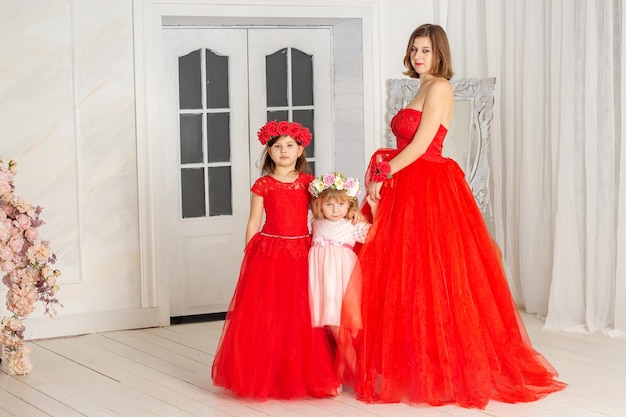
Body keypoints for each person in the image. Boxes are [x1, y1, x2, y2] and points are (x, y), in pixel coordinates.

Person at [339, 23, 567, 409]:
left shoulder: (440, 87)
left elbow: (425, 143)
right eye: (414, 49)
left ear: (439, 53)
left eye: (425, 50)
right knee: (402, 275)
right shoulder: (421, 85)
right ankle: (411, 361)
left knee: (433, 275)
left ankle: (441, 365)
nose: (418, 56)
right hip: (406, 184)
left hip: (428, 184)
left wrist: (383, 171)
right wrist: (385, 173)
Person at [211, 120, 339, 400]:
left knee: (301, 313)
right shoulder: (263, 184)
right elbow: (253, 223)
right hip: (270, 253)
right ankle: (266, 375)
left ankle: (304, 373)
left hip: (301, 251)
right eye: (277, 146)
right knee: (269, 313)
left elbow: (323, 213)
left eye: (290, 146)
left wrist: (346, 218)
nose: (284, 151)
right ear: (269, 152)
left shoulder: (308, 182)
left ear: (300, 149)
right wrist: (250, 255)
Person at [307, 172, 371, 345]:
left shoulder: (352, 223)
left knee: (341, 313)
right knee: (329, 315)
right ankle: (344, 356)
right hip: (321, 275)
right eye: (329, 204)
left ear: (349, 203)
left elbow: (374, 236)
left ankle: (349, 356)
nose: (336, 210)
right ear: (319, 204)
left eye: (341, 204)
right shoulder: (316, 223)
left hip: (342, 274)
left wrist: (368, 212)